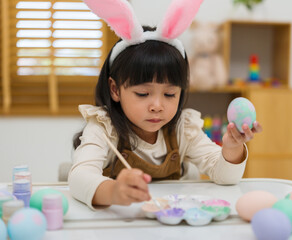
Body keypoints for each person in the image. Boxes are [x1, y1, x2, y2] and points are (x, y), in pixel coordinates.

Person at [68, 0, 262, 210]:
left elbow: (225, 177)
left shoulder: (183, 129)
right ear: (115, 90)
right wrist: (114, 192)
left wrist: (232, 148)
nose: (157, 106)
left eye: (170, 94)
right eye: (143, 93)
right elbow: (79, 177)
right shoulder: (104, 129)